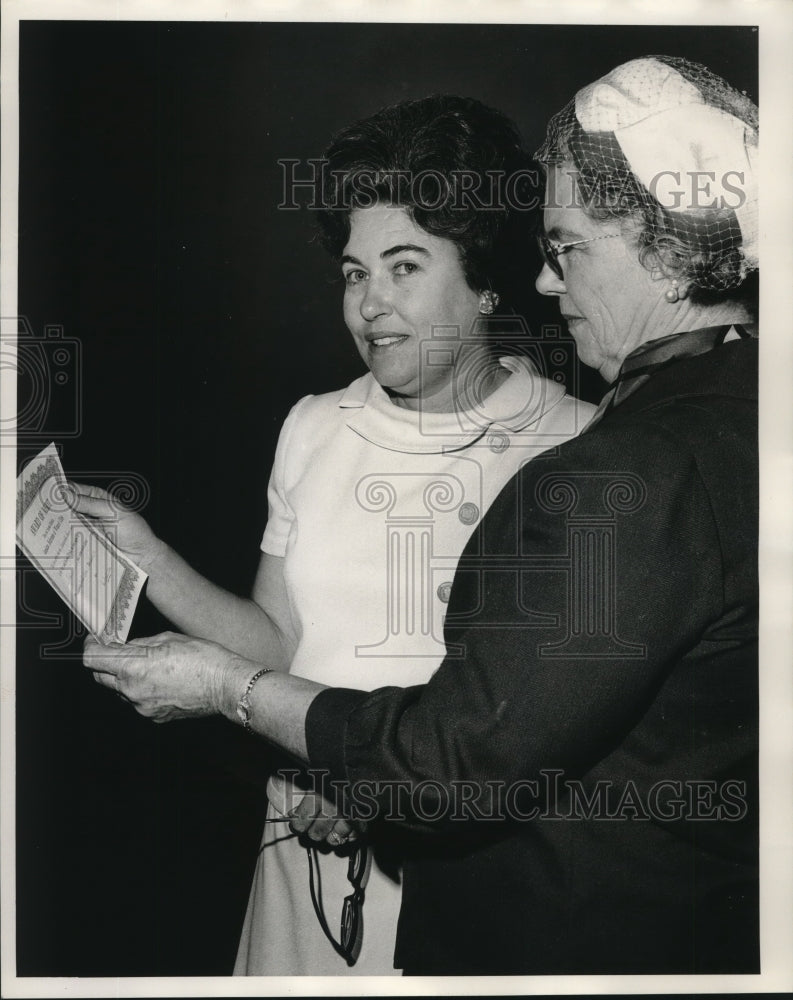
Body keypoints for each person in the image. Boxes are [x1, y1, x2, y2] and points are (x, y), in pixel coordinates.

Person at [84, 56, 759, 974]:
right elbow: (276, 641)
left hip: (457, 883)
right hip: (305, 861)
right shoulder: (315, 425)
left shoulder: (579, 445)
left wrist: (325, 758)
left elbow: (480, 737)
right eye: (354, 272)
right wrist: (147, 556)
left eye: (404, 267)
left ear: (486, 281)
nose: (369, 305)